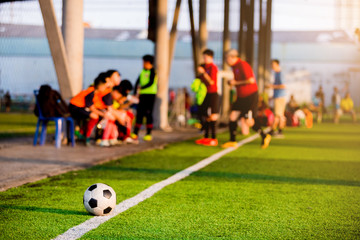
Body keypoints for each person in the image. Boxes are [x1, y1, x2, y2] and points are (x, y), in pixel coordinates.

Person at [221, 49, 271, 149]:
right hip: (241, 97)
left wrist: (235, 83)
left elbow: (251, 80)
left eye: (227, 58)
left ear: (232, 57)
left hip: (250, 96)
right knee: (232, 116)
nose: (226, 60)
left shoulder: (243, 65)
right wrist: (232, 83)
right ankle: (232, 140)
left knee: (249, 121)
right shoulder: (234, 67)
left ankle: (264, 136)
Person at [69, 73, 114, 146]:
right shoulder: (91, 92)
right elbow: (91, 107)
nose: (105, 89)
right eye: (105, 87)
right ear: (100, 86)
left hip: (80, 107)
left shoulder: (95, 92)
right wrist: (103, 114)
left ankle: (83, 133)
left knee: (96, 116)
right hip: (75, 107)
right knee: (94, 116)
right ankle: (86, 136)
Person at [195, 49, 219, 146]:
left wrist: (204, 73)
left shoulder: (213, 68)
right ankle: (205, 137)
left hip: (212, 93)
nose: (204, 59)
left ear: (211, 57)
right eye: (203, 57)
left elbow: (211, 82)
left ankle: (213, 138)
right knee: (203, 114)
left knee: (212, 116)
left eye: (206, 57)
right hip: (204, 94)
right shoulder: (203, 66)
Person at [131, 54, 157, 141]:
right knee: (140, 114)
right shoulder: (142, 71)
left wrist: (142, 87)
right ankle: (135, 132)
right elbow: (137, 82)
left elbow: (151, 82)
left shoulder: (153, 72)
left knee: (148, 114)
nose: (143, 64)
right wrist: (135, 91)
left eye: (144, 62)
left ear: (148, 62)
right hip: (142, 95)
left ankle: (148, 133)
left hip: (150, 95)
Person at [267, 59, 286, 137]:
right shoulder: (276, 73)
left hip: (280, 97)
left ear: (277, 65)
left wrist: (272, 86)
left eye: (273, 65)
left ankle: (276, 131)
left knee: (279, 115)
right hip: (277, 96)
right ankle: (276, 130)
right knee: (279, 115)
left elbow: (283, 85)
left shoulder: (280, 74)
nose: (272, 66)